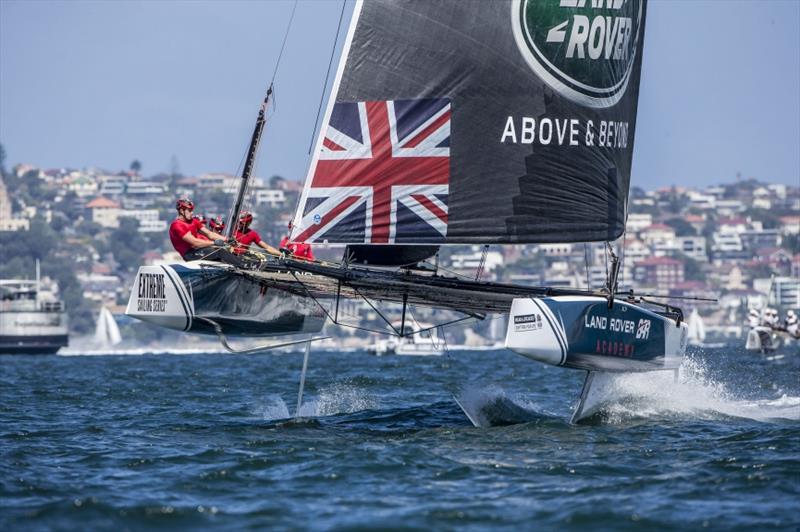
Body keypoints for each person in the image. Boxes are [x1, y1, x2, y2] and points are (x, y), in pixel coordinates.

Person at [168, 198, 246, 267]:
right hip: (189, 255)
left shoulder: (193, 221)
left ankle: (239, 267)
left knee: (223, 252)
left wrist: (227, 240)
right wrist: (214, 243)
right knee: (219, 251)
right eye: (189, 210)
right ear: (181, 211)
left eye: (192, 210)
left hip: (199, 250)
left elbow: (210, 234)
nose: (192, 213)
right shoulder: (177, 225)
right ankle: (244, 266)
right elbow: (194, 242)